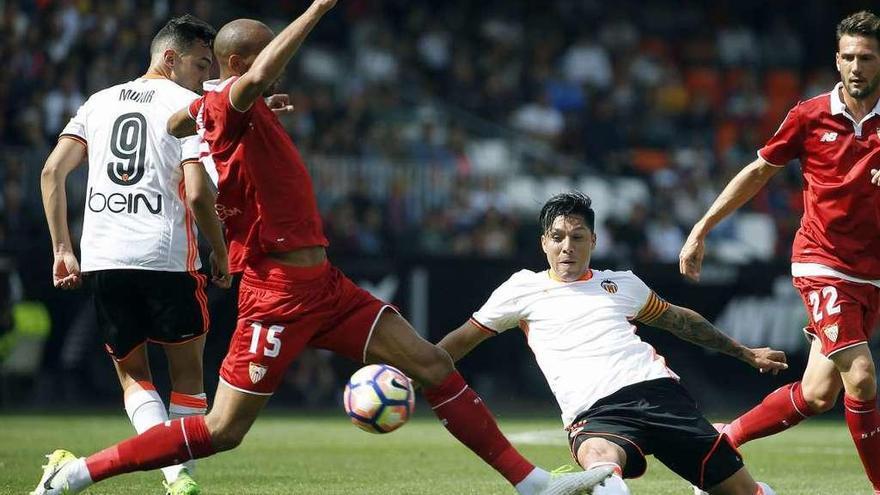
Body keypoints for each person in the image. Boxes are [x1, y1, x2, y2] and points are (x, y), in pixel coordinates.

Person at [31, 3, 612, 495]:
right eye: (265, 56)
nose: (279, 68)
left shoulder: (232, 109)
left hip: (325, 286)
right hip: (276, 295)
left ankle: (533, 484)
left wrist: (209, 115)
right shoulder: (229, 105)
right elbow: (232, 96)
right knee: (224, 430)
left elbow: (189, 116)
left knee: (433, 364)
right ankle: (76, 474)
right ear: (238, 65)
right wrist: (317, 8)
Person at [437, 192, 785, 495]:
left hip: (659, 393)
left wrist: (745, 352)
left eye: (577, 237)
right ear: (544, 242)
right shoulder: (521, 288)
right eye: (557, 237)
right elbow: (464, 338)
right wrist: (417, 369)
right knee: (604, 479)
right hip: (595, 412)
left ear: (594, 241)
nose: (567, 247)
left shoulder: (620, 284)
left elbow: (680, 321)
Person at [679, 10, 880, 494]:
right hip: (821, 261)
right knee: (861, 375)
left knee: (816, 394)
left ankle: (724, 440)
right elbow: (757, 171)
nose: (857, 66)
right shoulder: (809, 115)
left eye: (867, 57)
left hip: (870, 273)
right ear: (837, 60)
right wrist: (702, 227)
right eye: (849, 57)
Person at [38, 14, 231, 495]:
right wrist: (219, 250)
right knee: (188, 376)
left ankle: (173, 475)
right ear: (170, 58)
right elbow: (195, 192)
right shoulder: (189, 105)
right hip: (166, 256)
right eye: (201, 62)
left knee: (134, 378)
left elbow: (50, 173)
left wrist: (63, 247)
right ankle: (179, 474)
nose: (206, 75)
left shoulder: (97, 103)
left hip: (102, 257)